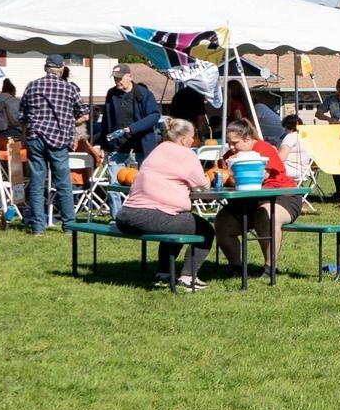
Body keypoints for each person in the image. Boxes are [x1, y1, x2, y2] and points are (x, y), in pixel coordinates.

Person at [115, 117, 216, 291]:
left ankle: (163, 274)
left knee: (178, 222)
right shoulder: (186, 154)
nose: (194, 140)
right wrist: (210, 176)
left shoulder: (158, 149)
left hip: (126, 215)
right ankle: (187, 277)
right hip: (150, 216)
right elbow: (202, 183)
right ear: (184, 139)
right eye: (193, 137)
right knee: (205, 229)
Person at [212, 115, 299, 275]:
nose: (230, 147)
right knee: (222, 222)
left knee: (265, 215)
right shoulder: (231, 156)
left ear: (247, 138)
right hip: (248, 202)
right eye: (229, 143)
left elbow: (259, 177)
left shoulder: (263, 149)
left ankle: (269, 268)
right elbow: (219, 173)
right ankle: (236, 267)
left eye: (234, 143)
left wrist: (230, 175)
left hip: (282, 197)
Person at [20, 54, 86, 233]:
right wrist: (70, 122)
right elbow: (84, 114)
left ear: (45, 68)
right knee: (63, 183)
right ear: (62, 69)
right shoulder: (69, 89)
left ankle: (38, 228)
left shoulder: (32, 87)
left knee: (36, 183)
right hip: (59, 140)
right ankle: (69, 226)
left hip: (35, 138)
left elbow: (22, 117)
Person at [97, 64, 164, 163]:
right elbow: (106, 120)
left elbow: (154, 115)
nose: (117, 81)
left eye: (120, 78)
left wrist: (132, 128)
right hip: (117, 148)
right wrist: (104, 144)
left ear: (130, 77)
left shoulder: (144, 94)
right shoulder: (111, 94)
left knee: (140, 178)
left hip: (141, 148)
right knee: (115, 179)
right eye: (115, 78)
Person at [277, 113, 313, 191]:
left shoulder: (290, 137)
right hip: (305, 171)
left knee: (267, 168)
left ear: (287, 127)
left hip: (292, 170)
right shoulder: (306, 137)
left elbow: (280, 158)